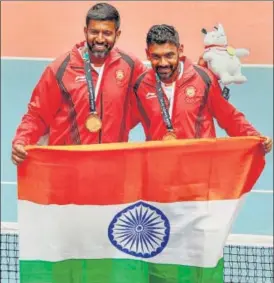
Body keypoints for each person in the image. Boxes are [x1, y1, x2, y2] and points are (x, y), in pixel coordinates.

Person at [11, 3, 147, 165]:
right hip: (68, 166)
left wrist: (122, 124)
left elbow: (155, 97)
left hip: (111, 164)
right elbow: (37, 114)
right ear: (85, 31)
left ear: (117, 34)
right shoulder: (61, 68)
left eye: (107, 33)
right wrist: (22, 139)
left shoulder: (130, 66)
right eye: (94, 32)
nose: (100, 39)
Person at [133, 24, 272, 153]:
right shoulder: (141, 85)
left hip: (200, 165)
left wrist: (254, 136)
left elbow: (228, 116)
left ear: (180, 50)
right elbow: (123, 119)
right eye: (156, 56)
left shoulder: (203, 78)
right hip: (161, 165)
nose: (163, 63)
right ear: (147, 54)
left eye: (169, 55)